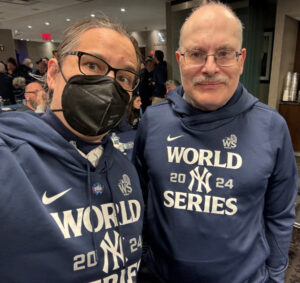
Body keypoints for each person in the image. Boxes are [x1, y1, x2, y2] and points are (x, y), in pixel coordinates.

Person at [132, 2, 298, 283]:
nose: (210, 68)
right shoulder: (153, 121)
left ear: (242, 59)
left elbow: (280, 215)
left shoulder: (272, 127)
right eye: (196, 54)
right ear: (180, 59)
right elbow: (139, 201)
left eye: (223, 54)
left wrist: (275, 276)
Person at [0, 15, 144, 282]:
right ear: (53, 73)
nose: (109, 84)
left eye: (123, 77)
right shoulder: (9, 161)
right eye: (92, 64)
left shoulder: (124, 169)